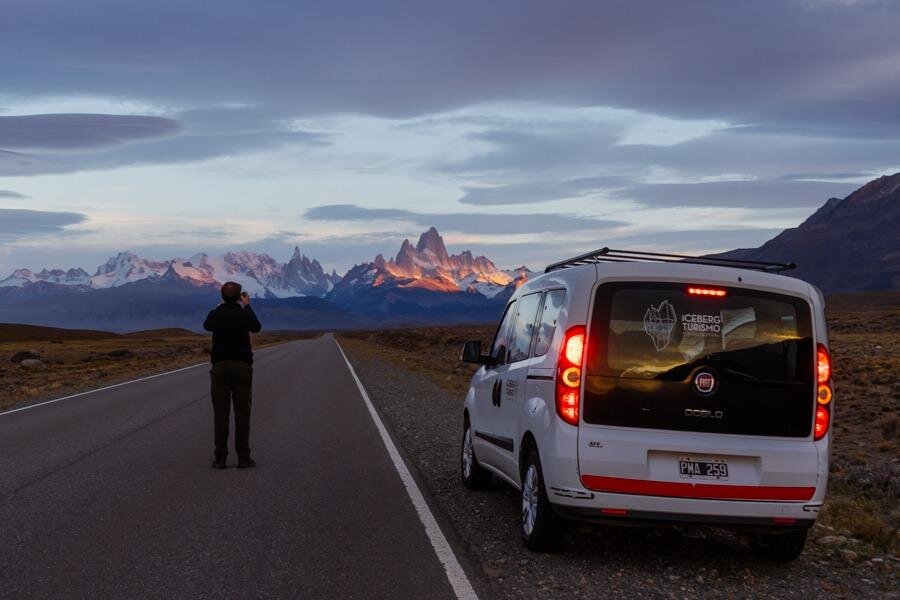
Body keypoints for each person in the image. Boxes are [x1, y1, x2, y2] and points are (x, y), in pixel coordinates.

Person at [203, 281, 262, 469]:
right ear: (239, 297)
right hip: (242, 367)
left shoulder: (216, 314)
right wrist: (247, 305)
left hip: (220, 368)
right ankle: (243, 457)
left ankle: (220, 458)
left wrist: (219, 306)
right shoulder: (244, 314)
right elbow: (256, 327)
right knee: (242, 414)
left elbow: (207, 325)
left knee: (221, 415)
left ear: (222, 296)